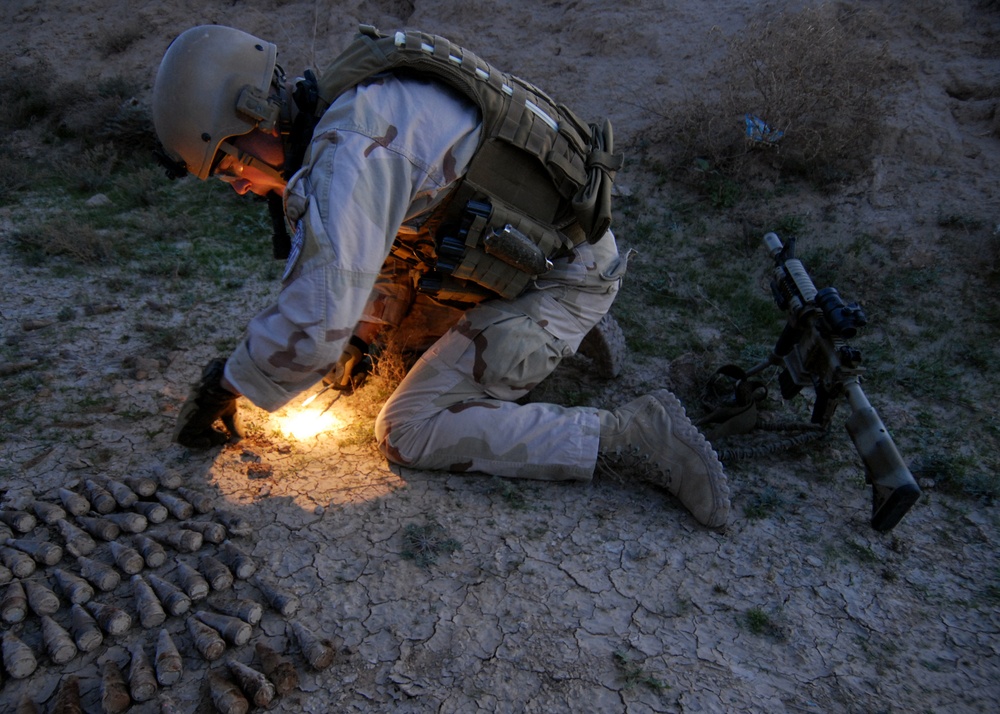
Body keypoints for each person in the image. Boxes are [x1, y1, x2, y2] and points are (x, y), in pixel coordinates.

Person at [151, 24, 731, 528]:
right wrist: (364, 336)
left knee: (408, 428)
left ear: (253, 115)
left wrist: (230, 383)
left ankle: (631, 435)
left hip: (561, 278)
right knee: (394, 351)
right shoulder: (361, 102)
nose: (239, 185)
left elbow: (317, 316)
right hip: (544, 253)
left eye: (229, 164)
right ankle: (534, 330)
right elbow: (385, 243)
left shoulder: (349, 150)